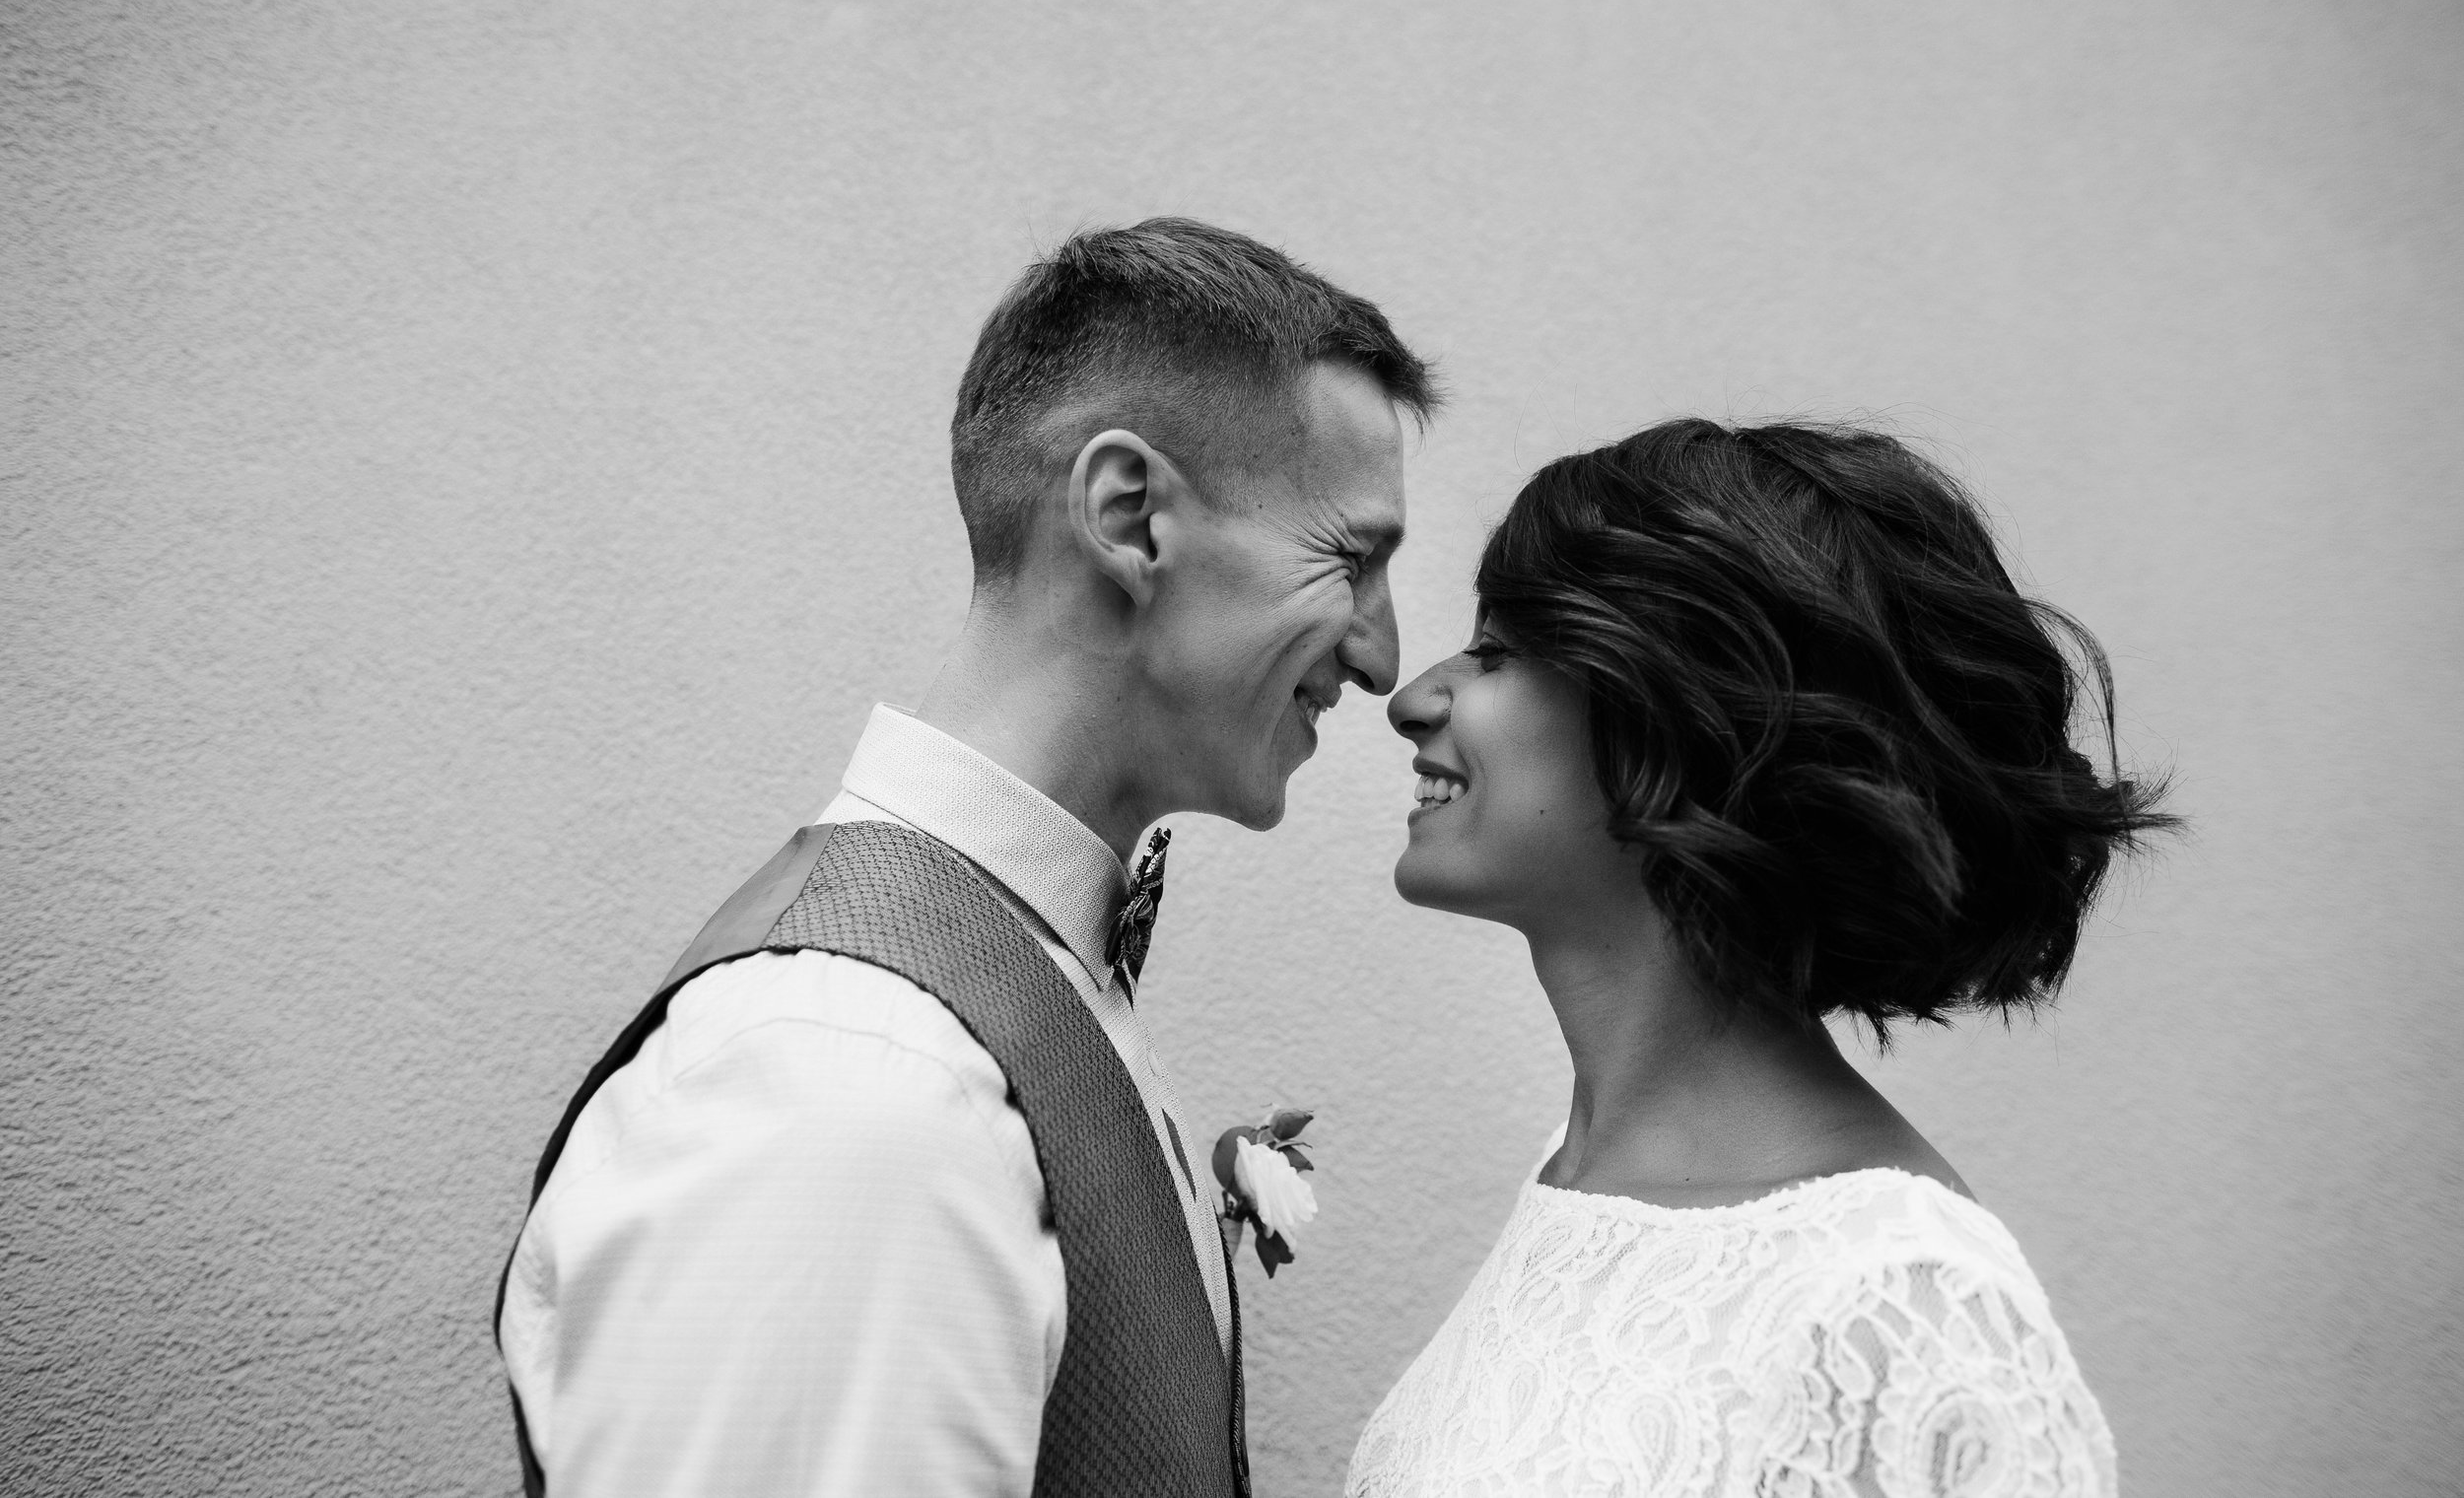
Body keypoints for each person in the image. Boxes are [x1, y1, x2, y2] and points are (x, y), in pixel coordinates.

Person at [497, 217, 1438, 1498]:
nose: (1385, 659)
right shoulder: (850, 1089)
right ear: (1131, 515)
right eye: (1351, 558)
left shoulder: (994, 991)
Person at [1347, 419, 2171, 1497]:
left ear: (1686, 715)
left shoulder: (1904, 1310)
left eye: (1500, 652)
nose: (1412, 697)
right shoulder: (1578, 1179)